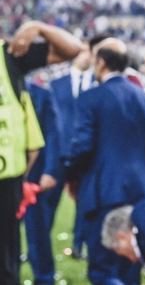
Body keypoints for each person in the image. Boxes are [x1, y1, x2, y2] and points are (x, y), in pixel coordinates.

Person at [62, 38, 145, 285]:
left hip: (103, 192)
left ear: (101, 63)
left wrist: (71, 175)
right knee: (131, 262)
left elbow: (83, 146)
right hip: (140, 192)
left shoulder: (92, 97)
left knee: (102, 268)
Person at [0, 21, 82, 285]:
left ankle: (41, 274)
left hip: (11, 180)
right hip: (14, 176)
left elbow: (72, 49)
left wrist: (38, 27)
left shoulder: (10, 58)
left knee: (11, 255)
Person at [48, 40, 94, 259]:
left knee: (84, 203)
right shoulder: (56, 84)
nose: (86, 55)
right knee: (48, 203)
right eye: (83, 51)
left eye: (89, 52)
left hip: (86, 155)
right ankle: (41, 248)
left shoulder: (97, 83)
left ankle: (78, 245)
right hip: (59, 153)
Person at [24, 80, 63, 285]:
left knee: (37, 229)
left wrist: (50, 171)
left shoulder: (40, 93)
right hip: (7, 172)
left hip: (34, 175)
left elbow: (53, 133)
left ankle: (44, 277)